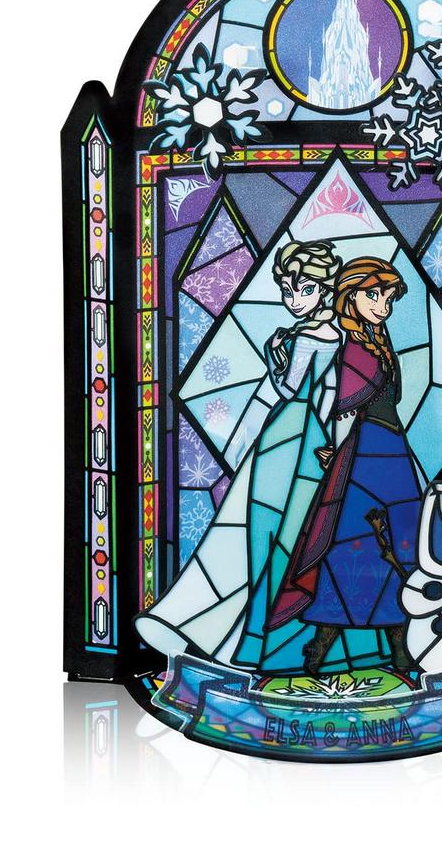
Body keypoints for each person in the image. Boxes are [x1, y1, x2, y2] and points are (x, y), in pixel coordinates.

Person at [135, 241, 388, 672]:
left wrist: (276, 356)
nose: (294, 300)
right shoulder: (343, 337)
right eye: (288, 291)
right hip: (316, 439)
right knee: (291, 536)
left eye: (305, 289)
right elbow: (334, 397)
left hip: (287, 437)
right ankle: (256, 641)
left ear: (326, 290)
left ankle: (237, 638)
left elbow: (289, 388)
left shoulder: (308, 336)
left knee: (258, 533)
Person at [267, 256, 422, 673]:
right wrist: (336, 450)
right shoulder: (352, 346)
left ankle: (399, 648)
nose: (382, 306)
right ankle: (320, 651)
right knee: (353, 544)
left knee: (399, 544)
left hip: (391, 452)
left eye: (388, 299)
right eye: (374, 296)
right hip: (365, 456)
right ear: (349, 296)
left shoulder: (376, 338)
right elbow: (344, 407)